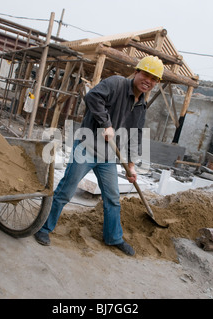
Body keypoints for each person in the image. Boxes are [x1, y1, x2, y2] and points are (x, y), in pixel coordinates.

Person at [34, 56, 164, 256]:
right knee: (66, 191)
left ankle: (114, 238)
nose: (149, 80)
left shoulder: (141, 105)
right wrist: (106, 124)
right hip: (87, 147)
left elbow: (135, 134)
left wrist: (131, 165)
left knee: (112, 198)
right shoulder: (116, 83)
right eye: (146, 74)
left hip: (109, 157)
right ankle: (43, 228)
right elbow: (93, 97)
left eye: (154, 78)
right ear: (137, 72)